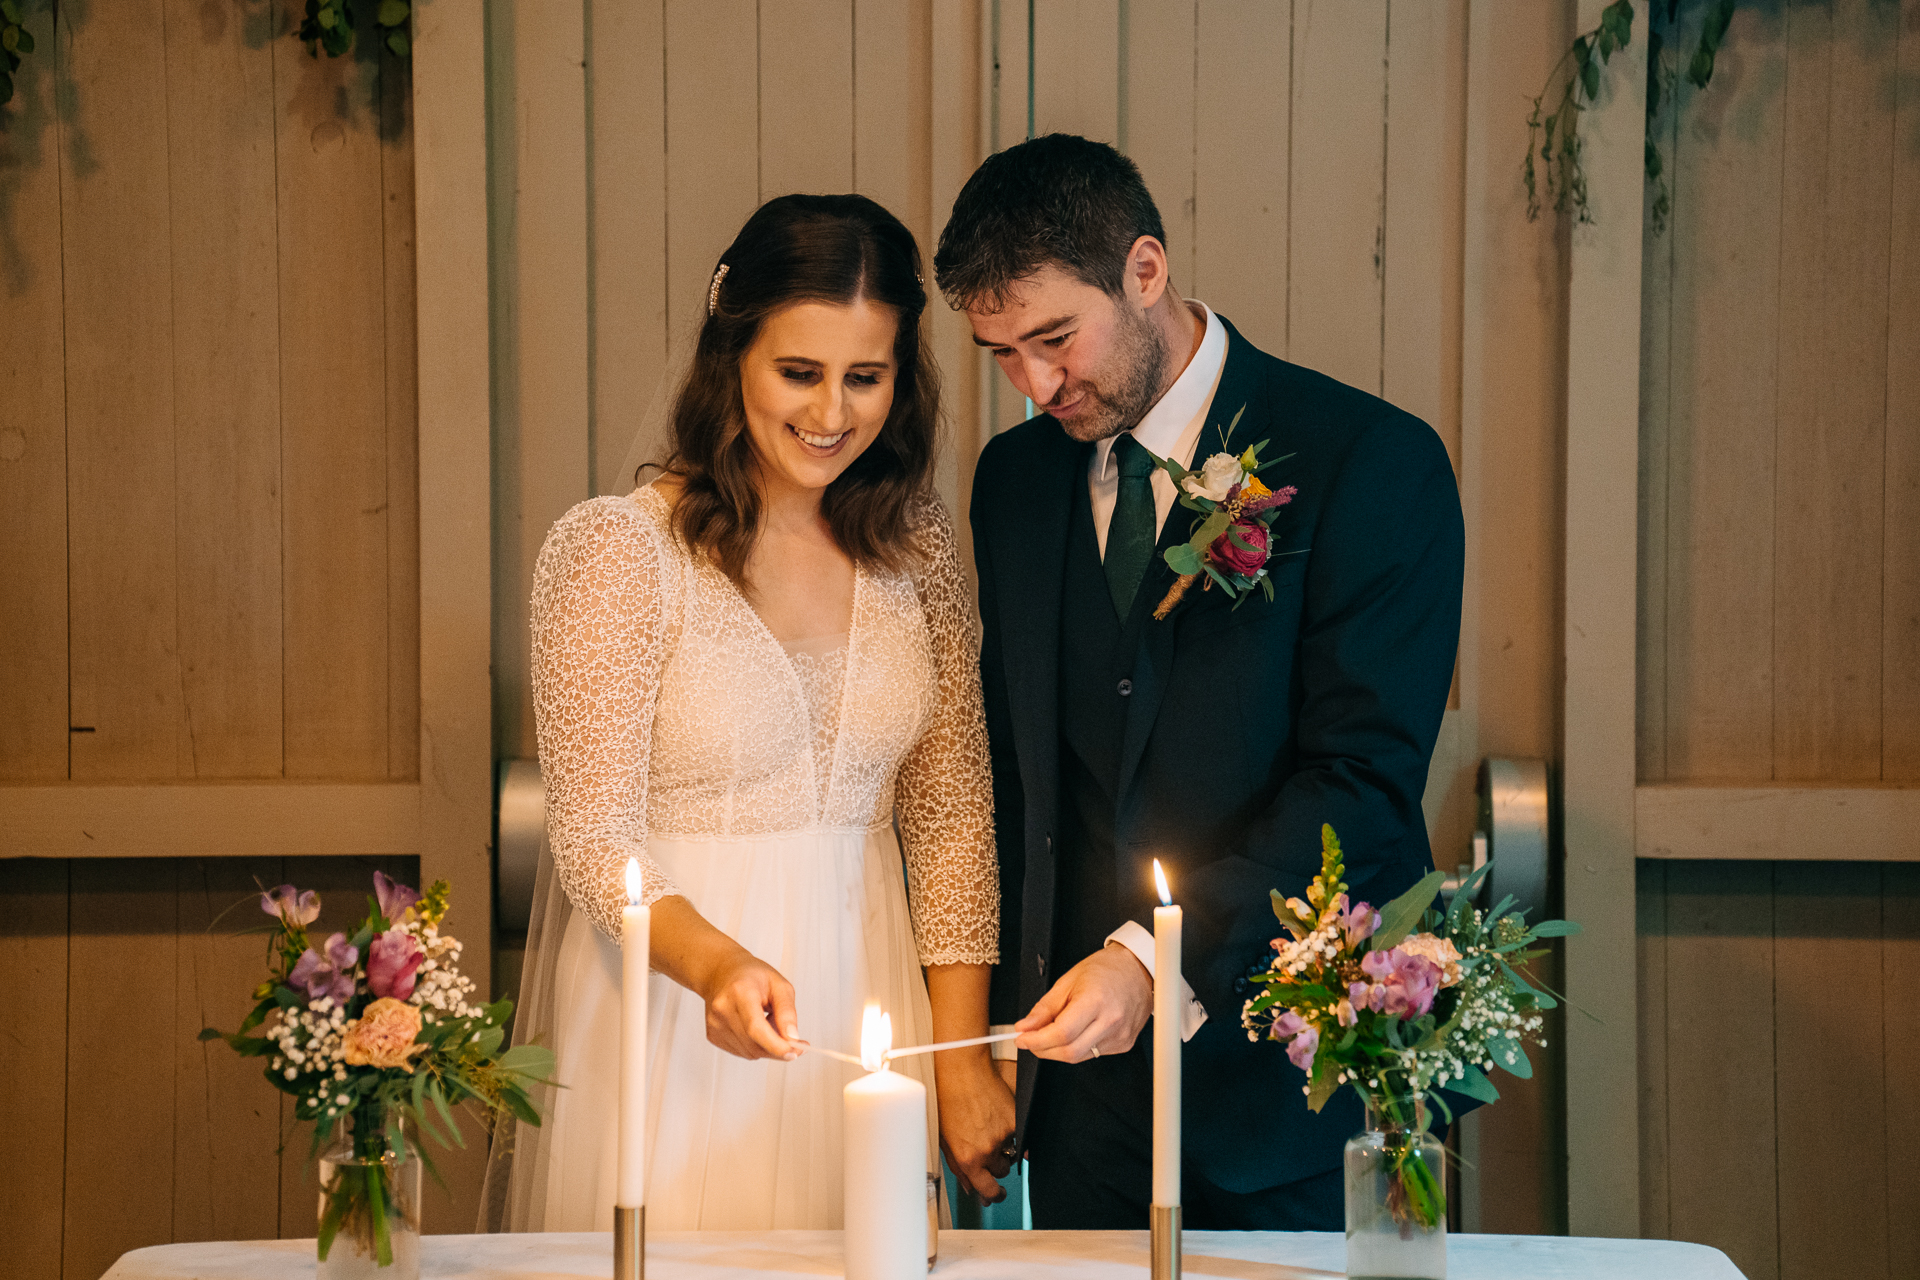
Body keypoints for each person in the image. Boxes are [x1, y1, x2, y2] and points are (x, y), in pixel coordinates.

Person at [933, 135, 1464, 1228]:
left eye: (1053, 339)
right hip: (1079, 1114)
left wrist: (1149, 955)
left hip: (1295, 1098)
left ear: (1144, 270)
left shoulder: (1371, 461)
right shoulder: (1015, 482)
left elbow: (1361, 785)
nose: (1035, 386)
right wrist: (983, 1042)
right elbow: (1014, 781)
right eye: (1000, 353)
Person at [493, 194, 1013, 1232]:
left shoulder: (917, 551)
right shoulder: (618, 553)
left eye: (866, 377)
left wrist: (960, 1059)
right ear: (733, 353)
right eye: (799, 372)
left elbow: (951, 815)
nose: (832, 412)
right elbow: (594, 838)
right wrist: (716, 963)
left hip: (871, 1010)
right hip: (682, 1008)